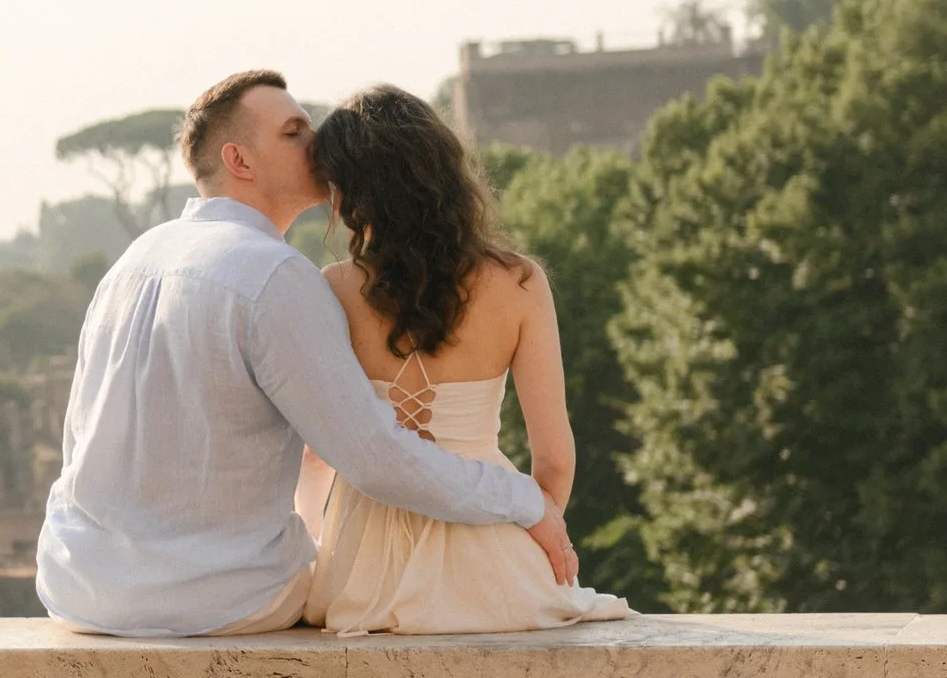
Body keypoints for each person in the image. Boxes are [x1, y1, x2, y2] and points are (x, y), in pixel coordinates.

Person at [35, 69, 574, 637]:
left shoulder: (133, 261)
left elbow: (80, 434)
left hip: (79, 588)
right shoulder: (276, 275)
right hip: (216, 600)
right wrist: (527, 501)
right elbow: (375, 459)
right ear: (240, 161)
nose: (315, 144)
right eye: (294, 133)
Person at [300, 85, 630, 635]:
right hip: (493, 539)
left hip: (365, 557)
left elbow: (315, 455)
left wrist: (321, 548)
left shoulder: (331, 288)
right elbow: (554, 455)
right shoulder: (521, 284)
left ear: (348, 196)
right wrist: (542, 528)